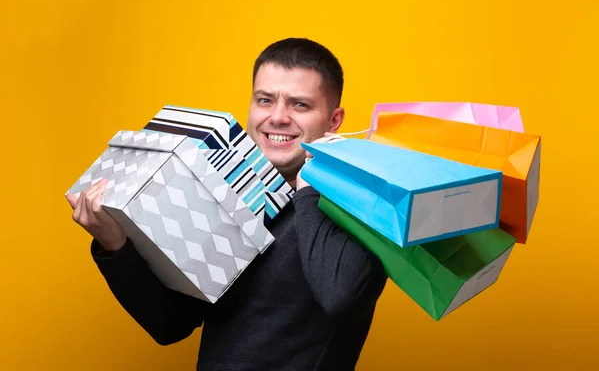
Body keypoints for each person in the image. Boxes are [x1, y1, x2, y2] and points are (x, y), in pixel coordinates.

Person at [66, 37, 388, 370]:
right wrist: (116, 246)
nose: (277, 117)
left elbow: (343, 301)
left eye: (300, 105)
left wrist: (308, 189)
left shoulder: (363, 203)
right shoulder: (227, 195)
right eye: (265, 100)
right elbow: (171, 324)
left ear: (334, 121)